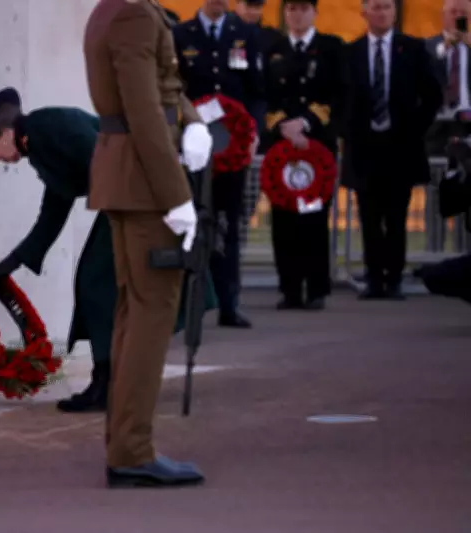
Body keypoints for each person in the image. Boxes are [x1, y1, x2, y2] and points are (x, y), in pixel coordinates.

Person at [83, 0, 213, 488]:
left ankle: (125, 445)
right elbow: (140, 108)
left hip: (127, 178)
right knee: (150, 318)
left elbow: (164, 89)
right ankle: (132, 451)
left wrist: (193, 118)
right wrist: (176, 194)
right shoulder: (134, 14)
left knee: (133, 316)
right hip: (145, 183)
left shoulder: (112, 10)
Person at [0, 88, 115, 414]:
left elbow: (108, 160)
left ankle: (108, 384)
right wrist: (10, 264)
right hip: (123, 198)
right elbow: (54, 210)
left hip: (132, 196)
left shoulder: (50, 127)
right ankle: (107, 380)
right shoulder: (40, 139)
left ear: (4, 134)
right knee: (93, 285)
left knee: (95, 284)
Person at [174, 0, 265, 329]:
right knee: (192, 223)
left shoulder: (245, 34)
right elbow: (174, 88)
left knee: (229, 225)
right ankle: (191, 304)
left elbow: (256, 91)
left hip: (233, 149)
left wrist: (254, 130)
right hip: (195, 146)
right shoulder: (181, 34)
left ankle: (229, 302)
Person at [342, 0, 442, 300]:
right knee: (369, 218)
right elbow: (342, 98)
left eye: (387, 7)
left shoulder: (412, 49)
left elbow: (432, 95)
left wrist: (414, 128)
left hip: (400, 147)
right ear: (364, 12)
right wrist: (351, 130)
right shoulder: (352, 52)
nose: (382, 12)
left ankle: (394, 278)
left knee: (397, 218)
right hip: (364, 148)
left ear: (394, 12)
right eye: (376, 7)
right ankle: (374, 279)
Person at [262, 0, 347, 310]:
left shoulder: (331, 48)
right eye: (291, 9)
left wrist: (307, 122)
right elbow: (265, 93)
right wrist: (283, 125)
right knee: (283, 217)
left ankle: (316, 288)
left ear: (315, 12)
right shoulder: (273, 48)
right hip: (282, 146)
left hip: (316, 147)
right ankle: (290, 288)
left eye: (303, 9)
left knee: (313, 216)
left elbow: (339, 93)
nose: (297, 15)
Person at [425, 0, 471, 157]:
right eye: (453, 12)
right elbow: (425, 68)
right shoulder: (428, 46)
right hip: (438, 122)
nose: (458, 16)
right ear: (443, 16)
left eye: (463, 13)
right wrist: (445, 46)